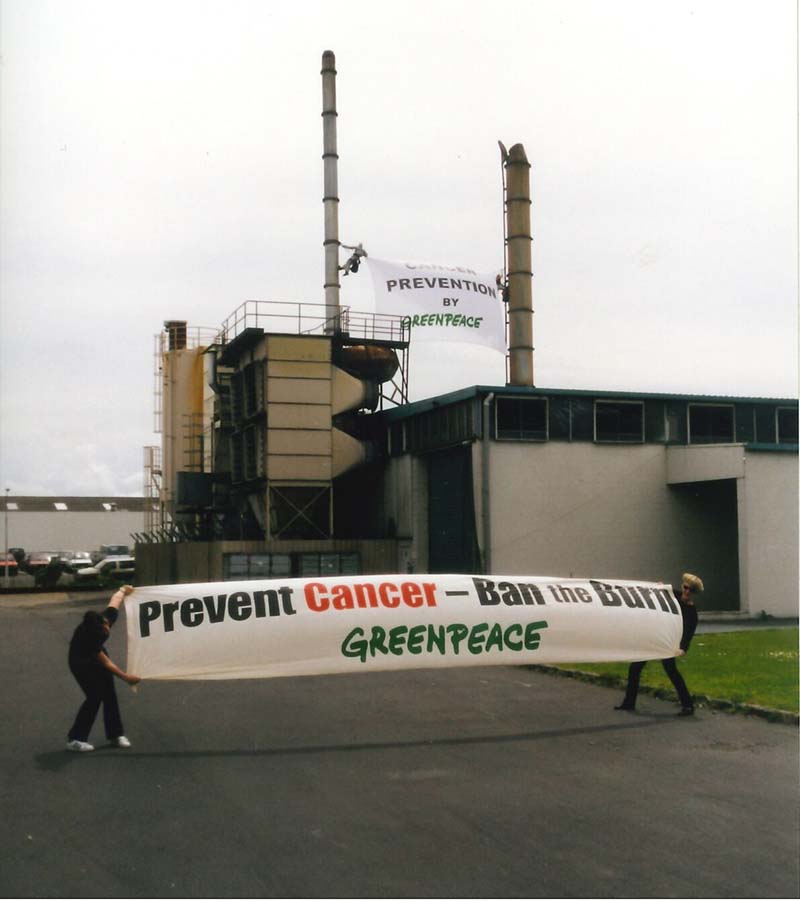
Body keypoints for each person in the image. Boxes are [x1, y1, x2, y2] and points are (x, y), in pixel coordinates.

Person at [615, 572, 704, 717]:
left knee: (671, 671)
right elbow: (660, 591)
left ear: (694, 593)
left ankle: (688, 705)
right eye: (686, 588)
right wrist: (659, 587)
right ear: (683, 586)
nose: (687, 591)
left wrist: (683, 648)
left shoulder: (691, 611)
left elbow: (688, 632)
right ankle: (629, 702)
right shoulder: (673, 594)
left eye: (691, 590)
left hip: (668, 641)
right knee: (635, 668)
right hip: (653, 636)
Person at [66, 584, 141, 752]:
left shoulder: (102, 619)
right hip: (80, 662)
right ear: (95, 630)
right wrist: (126, 678)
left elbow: (114, 603)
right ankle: (75, 739)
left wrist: (122, 590)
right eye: (104, 628)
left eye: (107, 624)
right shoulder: (89, 636)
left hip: (98, 655)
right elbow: (105, 662)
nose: (108, 628)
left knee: (109, 694)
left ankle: (115, 735)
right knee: (94, 696)